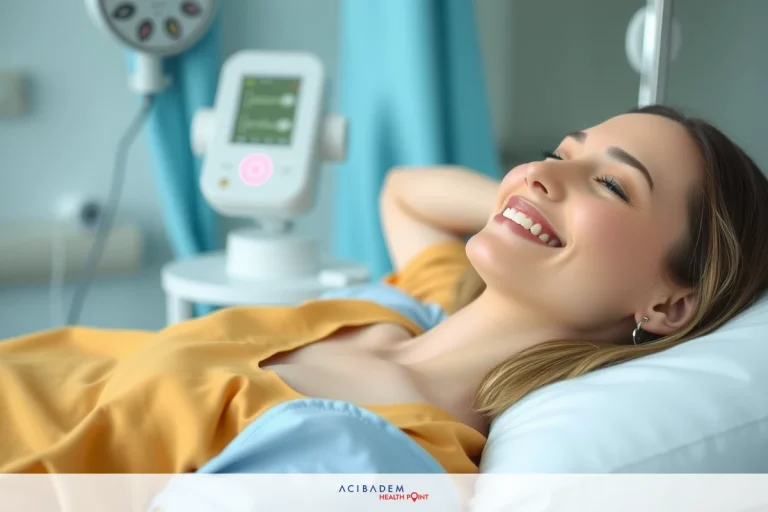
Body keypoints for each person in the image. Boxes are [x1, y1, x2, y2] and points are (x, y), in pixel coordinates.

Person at [1, 105, 767, 474]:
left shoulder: (394, 450)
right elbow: (406, 193)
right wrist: (526, 204)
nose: (540, 171)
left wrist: (535, 210)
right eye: (554, 152)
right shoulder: (417, 306)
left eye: (611, 182)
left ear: (669, 304)